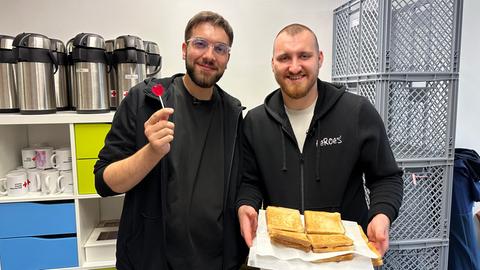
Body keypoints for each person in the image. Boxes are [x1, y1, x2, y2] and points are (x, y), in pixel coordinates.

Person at [94, 11, 247, 270]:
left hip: (218, 262)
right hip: (152, 260)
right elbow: (104, 182)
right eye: (200, 44)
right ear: (185, 49)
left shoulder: (234, 114)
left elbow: (243, 183)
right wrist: (151, 152)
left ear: (227, 59)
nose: (209, 56)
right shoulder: (144, 100)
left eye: (220, 49)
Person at [236, 23, 403, 256]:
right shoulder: (255, 122)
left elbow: (386, 177)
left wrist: (381, 215)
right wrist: (246, 205)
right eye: (284, 58)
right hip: (282, 257)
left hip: (345, 256)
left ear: (320, 59)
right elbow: (250, 182)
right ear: (273, 64)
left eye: (304, 56)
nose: (294, 67)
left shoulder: (357, 112)